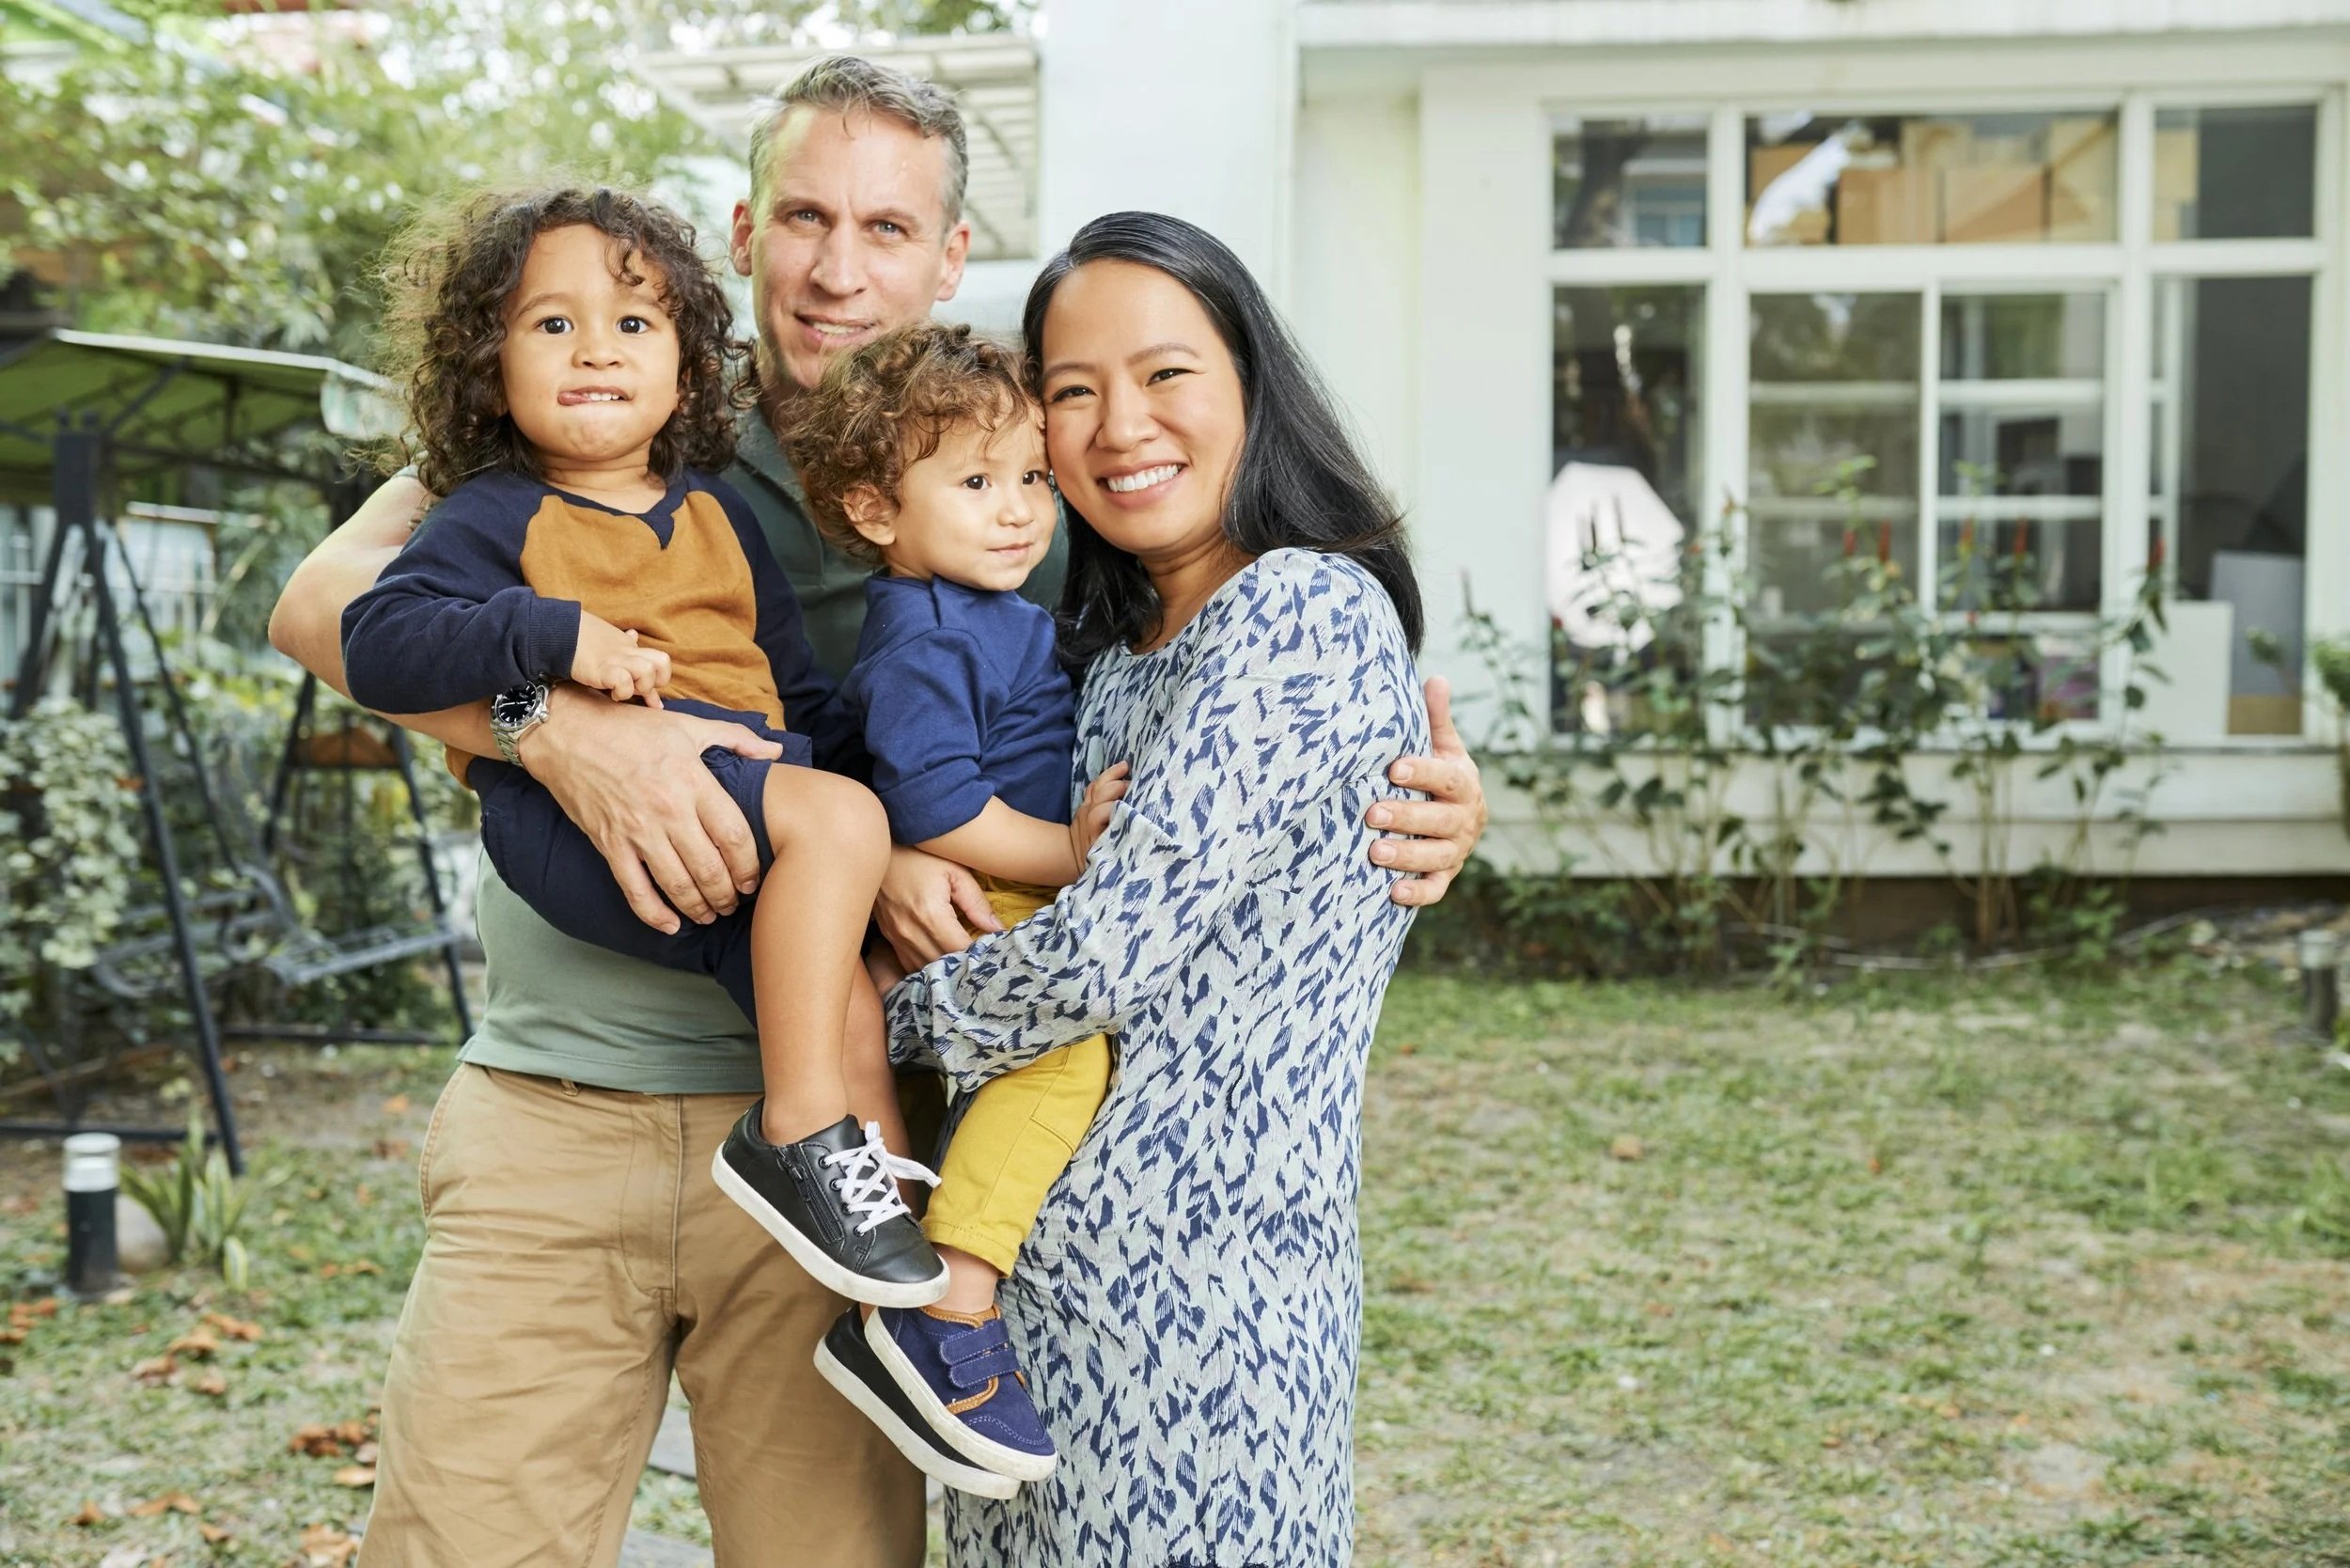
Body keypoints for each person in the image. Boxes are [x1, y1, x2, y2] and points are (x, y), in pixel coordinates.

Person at [267, 55, 1489, 1568]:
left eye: (890, 229)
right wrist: (554, 728)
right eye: (805, 218)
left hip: (851, 1152)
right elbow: (322, 603)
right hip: (561, 1102)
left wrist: (1408, 802)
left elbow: (1185, 718)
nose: (842, 269)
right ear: (742, 230)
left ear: (954, 254)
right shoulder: (622, 398)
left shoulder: (1030, 476)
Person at [882, 211, 1422, 1568]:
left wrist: (888, 1006)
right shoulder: (1112, 653)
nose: (1121, 423)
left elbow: (1099, 953)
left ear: (1251, 381)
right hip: (1018, 1298)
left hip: (1202, 1300)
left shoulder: (1298, 606)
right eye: (1074, 391)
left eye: (1166, 373)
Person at [338, 182, 959, 1310]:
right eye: (550, 323)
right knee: (840, 823)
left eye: (633, 323)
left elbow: (797, 693)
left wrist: (884, 803)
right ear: (490, 357)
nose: (595, 351)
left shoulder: (717, 512)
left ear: (685, 361)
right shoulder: (491, 510)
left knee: (851, 1002)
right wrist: (548, 635)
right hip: (577, 835)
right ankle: (795, 1131)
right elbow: (376, 641)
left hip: (743, 820)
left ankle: (890, 1280)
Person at [778, 320, 1116, 1496]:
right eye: (975, 483)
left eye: (1030, 477)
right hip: (994, 888)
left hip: (1013, 877)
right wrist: (1076, 856)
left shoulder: (989, 609)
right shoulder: (925, 633)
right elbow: (932, 801)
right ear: (877, 511)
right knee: (1062, 1066)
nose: (1019, 508)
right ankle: (949, 1306)